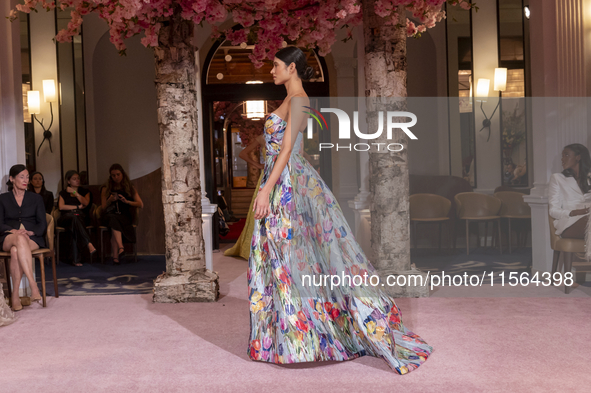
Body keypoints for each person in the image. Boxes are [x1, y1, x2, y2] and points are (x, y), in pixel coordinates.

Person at [246, 46, 433, 374]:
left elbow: (288, 148)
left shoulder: (301, 99)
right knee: (278, 257)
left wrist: (266, 188)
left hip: (289, 186)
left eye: (276, 65)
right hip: (280, 183)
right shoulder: (289, 99)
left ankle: (308, 335)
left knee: (295, 258)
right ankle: (285, 337)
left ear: (292, 67)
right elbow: (275, 145)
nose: (271, 70)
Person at [0, 164, 46, 311]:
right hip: (8, 236)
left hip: (31, 238)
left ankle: (14, 297)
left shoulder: (36, 198)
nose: (26, 180)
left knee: (15, 251)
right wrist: (12, 230)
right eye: (22, 177)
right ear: (12, 179)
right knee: (18, 239)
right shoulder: (2, 199)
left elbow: (42, 223)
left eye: (27, 177)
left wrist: (32, 233)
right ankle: (33, 285)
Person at [224, 135, 266, 260]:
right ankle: (257, 247)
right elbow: (243, 153)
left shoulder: (289, 133)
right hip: (267, 174)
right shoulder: (263, 137)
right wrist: (258, 165)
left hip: (284, 173)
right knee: (259, 210)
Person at [100, 164, 143, 265]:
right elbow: (103, 207)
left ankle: (116, 257)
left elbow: (140, 204)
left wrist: (127, 201)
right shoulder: (106, 187)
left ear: (122, 174)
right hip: (109, 214)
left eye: (118, 175)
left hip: (124, 215)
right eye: (113, 175)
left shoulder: (129, 187)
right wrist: (109, 200)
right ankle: (121, 247)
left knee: (114, 223)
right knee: (112, 219)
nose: (116, 177)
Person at [548, 143, 591, 240]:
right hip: (569, 223)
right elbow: (553, 211)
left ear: (578, 157)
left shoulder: (589, 177)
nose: (562, 159)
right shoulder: (557, 178)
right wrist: (573, 212)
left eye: (566, 155)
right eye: (562, 156)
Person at [58, 170, 96, 266]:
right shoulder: (63, 193)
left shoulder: (85, 191)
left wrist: (75, 192)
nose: (77, 180)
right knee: (74, 219)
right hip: (66, 217)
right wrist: (77, 207)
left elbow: (86, 203)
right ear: (68, 181)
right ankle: (88, 243)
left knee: (75, 224)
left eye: (78, 178)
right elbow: (61, 207)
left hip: (81, 217)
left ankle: (75, 260)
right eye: (74, 179)